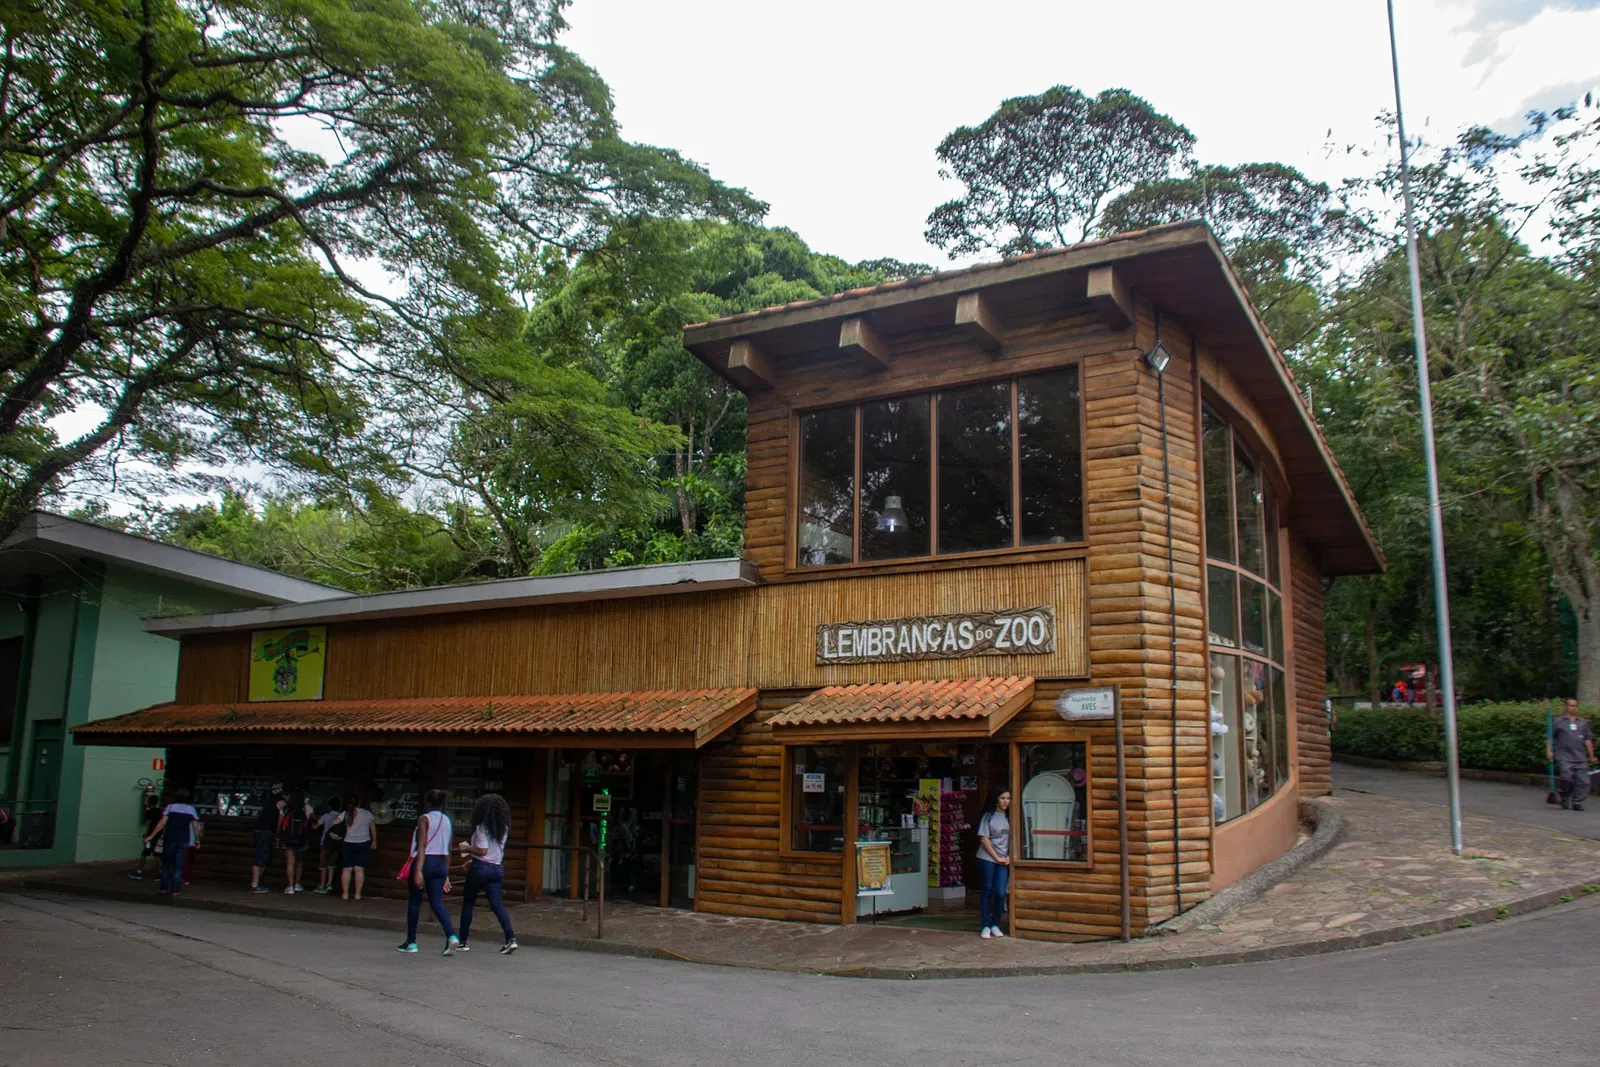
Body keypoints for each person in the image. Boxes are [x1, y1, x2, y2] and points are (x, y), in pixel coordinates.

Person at [455, 793, 517, 954]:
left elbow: (482, 851)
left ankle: (463, 941)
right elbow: (494, 852)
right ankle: (510, 938)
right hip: (496, 868)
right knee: (496, 905)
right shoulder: (503, 828)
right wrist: (472, 860)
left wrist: (467, 849)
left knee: (469, 903)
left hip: (480, 868)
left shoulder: (482, 828)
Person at [399, 788, 458, 955]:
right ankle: (451, 935)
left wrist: (418, 870)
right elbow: (448, 848)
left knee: (415, 902)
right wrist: (446, 872)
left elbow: (423, 844)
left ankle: (411, 942)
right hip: (440, 862)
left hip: (425, 861)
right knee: (437, 902)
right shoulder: (447, 820)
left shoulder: (424, 819)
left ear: (428, 803)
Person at [143, 788, 199, 897]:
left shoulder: (170, 807)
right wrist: (197, 839)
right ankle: (175, 890)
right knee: (178, 866)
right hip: (183, 840)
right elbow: (195, 826)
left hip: (170, 839)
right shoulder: (191, 809)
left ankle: (163, 888)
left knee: (166, 864)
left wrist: (151, 836)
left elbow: (161, 823)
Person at [975, 787, 1012, 939]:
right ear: (996, 800)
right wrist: (996, 857)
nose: (1006, 801)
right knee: (987, 889)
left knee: (1000, 892)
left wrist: (1010, 856)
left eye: (1008, 798)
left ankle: (995, 923)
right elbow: (984, 838)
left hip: (1004, 859)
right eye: (1003, 798)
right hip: (988, 858)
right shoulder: (988, 816)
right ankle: (986, 924)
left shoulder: (1011, 816)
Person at [1547, 698, 1596, 811]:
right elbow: (1550, 738)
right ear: (1566, 707)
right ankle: (1564, 796)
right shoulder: (1558, 721)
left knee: (1584, 781)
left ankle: (1577, 801)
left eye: (1575, 705)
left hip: (1580, 757)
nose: (1573, 708)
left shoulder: (1582, 722)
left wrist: (1591, 755)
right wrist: (1549, 751)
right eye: (1571, 705)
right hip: (1564, 756)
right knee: (1566, 777)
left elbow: (1587, 739)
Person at [340, 795, 376, 901]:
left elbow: (334, 823)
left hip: (347, 842)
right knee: (359, 869)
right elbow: (372, 828)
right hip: (363, 842)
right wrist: (374, 841)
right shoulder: (367, 813)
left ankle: (345, 894)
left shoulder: (345, 813)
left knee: (347, 869)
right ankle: (357, 894)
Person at [278, 789, 312, 893]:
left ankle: (290, 886)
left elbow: (280, 824)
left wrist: (277, 836)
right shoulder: (308, 809)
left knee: (290, 862)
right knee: (299, 861)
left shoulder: (285, 808)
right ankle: (297, 884)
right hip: (301, 838)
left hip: (287, 838)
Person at [250, 792, 285, 893]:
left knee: (263, 855)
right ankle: (254, 884)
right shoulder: (277, 807)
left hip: (261, 830)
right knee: (261, 855)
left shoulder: (267, 806)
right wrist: (278, 834)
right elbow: (280, 821)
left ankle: (255, 882)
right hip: (266, 831)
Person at [130, 788, 162, 880]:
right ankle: (160, 872)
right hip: (158, 835)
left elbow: (148, 823)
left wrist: (146, 835)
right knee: (157, 854)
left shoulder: (149, 812)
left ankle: (139, 871)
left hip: (150, 836)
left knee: (144, 854)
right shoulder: (160, 812)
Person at [314, 796, 344, 894]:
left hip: (325, 842)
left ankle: (322, 885)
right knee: (331, 864)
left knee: (323, 864)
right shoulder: (342, 816)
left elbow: (315, 827)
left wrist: (311, 819)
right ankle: (329, 884)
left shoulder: (326, 816)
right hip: (337, 842)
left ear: (329, 806)